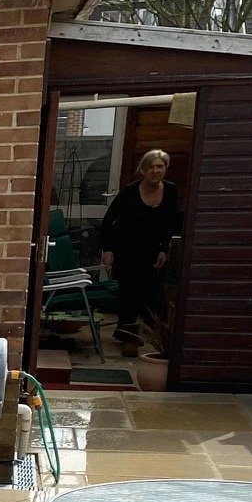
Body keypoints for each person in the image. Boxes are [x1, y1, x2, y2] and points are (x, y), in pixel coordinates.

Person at [98, 150, 183, 353]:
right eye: (151, 167)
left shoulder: (170, 191)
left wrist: (164, 249)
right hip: (127, 249)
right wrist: (108, 249)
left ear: (165, 169)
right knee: (129, 291)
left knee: (150, 292)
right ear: (143, 170)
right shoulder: (129, 192)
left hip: (153, 251)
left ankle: (136, 332)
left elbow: (172, 223)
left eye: (159, 166)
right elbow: (108, 221)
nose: (155, 170)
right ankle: (128, 336)